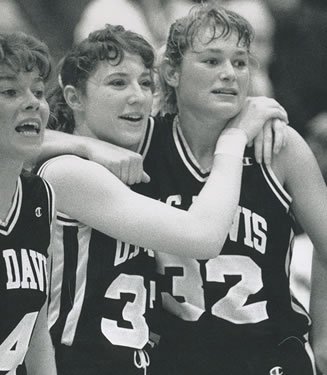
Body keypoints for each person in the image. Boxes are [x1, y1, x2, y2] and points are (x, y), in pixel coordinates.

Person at [36, 24, 288, 375]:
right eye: (118, 82)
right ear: (74, 98)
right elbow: (202, 237)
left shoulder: (141, 159)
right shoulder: (68, 171)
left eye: (145, 83)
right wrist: (235, 136)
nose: (138, 96)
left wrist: (251, 106)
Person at [0, 32, 56, 374]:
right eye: (10, 91)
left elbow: (36, 330)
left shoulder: (40, 196)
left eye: (38, 91)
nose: (33, 102)